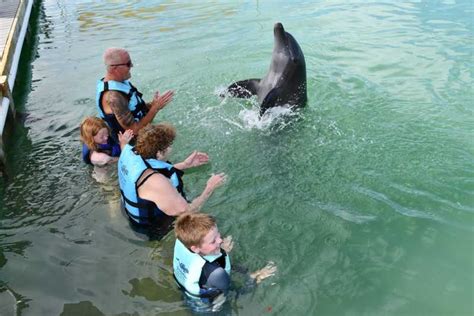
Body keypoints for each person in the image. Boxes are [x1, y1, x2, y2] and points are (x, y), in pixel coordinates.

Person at [117, 123, 226, 230]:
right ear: (159, 153)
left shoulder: (129, 152)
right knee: (213, 222)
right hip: (152, 228)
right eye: (169, 145)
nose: (171, 148)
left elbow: (148, 170)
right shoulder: (157, 182)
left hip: (127, 211)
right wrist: (210, 188)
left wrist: (185, 165)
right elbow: (187, 212)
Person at [173, 212, 277, 311]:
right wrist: (253, 277)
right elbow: (236, 292)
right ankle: (257, 276)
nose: (220, 240)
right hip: (209, 308)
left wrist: (217, 249)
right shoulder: (217, 274)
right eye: (213, 241)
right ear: (195, 248)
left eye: (218, 235)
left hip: (186, 292)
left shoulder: (183, 241)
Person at [96, 47, 174, 140]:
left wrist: (153, 104)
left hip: (142, 132)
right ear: (114, 68)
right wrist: (155, 108)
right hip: (130, 144)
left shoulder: (120, 83)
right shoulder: (113, 96)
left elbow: (135, 110)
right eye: (128, 64)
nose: (132, 65)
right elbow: (134, 130)